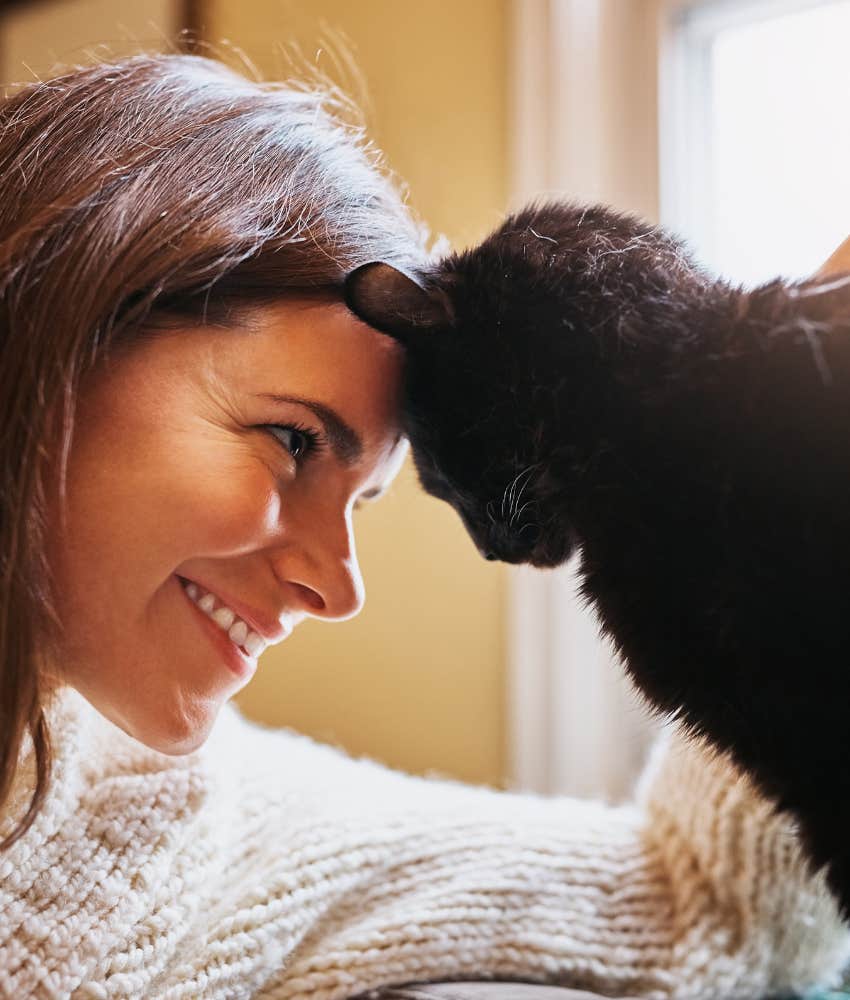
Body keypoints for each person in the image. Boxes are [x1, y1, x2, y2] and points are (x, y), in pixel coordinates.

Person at [0, 53, 847, 1000]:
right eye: (292, 441)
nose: (338, 590)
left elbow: (705, 908)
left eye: (365, 502)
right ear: (57, 324)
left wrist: (763, 480)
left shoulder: (192, 818)